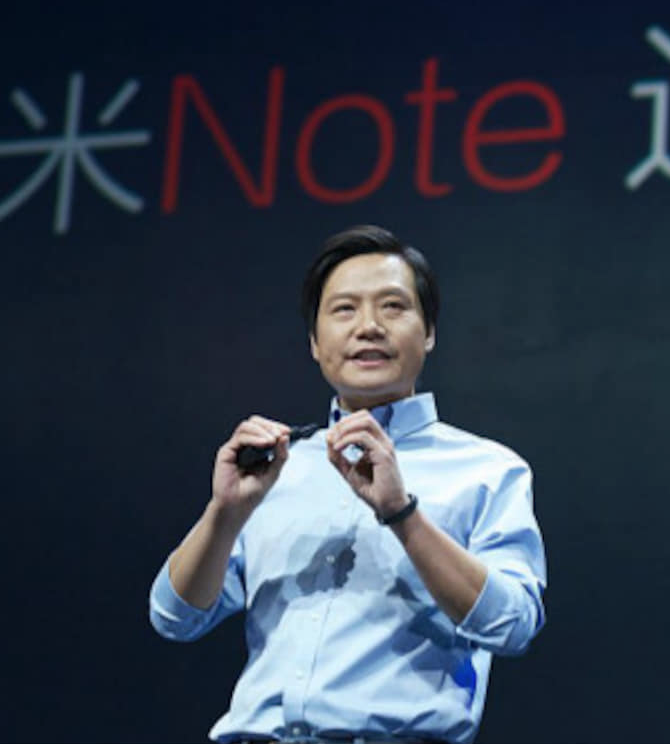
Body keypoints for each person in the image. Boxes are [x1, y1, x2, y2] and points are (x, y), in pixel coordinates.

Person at [150, 225, 546, 743]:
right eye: (344, 310)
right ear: (315, 343)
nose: (368, 327)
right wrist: (224, 513)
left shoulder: (487, 470)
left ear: (429, 332)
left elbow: (511, 625)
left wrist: (403, 516)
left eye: (393, 307)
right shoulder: (275, 467)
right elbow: (174, 617)